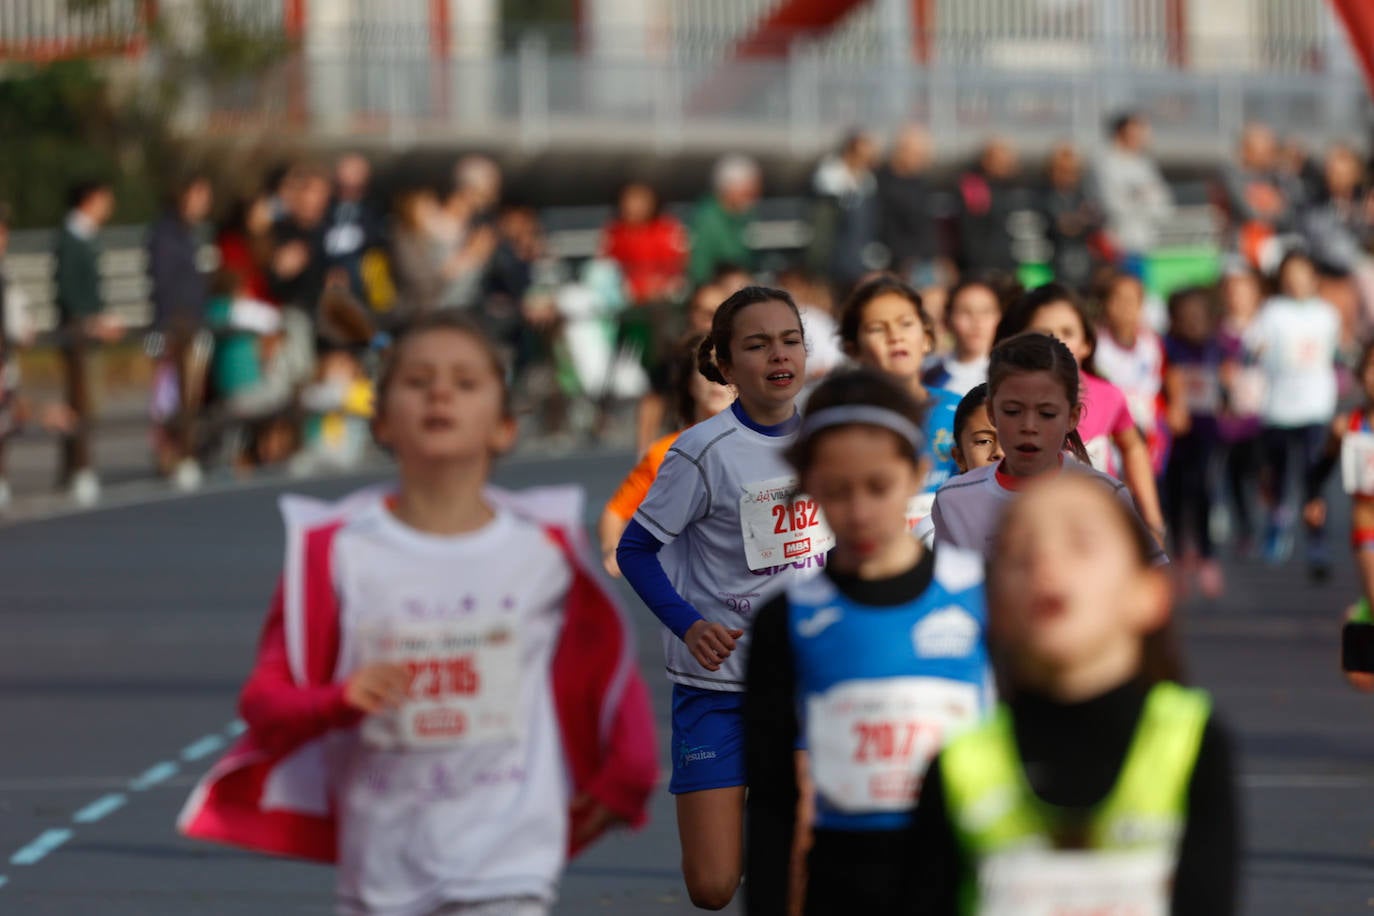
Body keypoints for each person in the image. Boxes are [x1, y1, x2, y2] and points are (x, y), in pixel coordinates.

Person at [178, 310, 659, 915]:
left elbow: (610, 672)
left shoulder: (544, 548)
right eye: (416, 381)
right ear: (380, 421)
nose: (439, 393)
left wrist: (629, 775)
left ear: (504, 426)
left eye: (464, 382)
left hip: (506, 867)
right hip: (381, 873)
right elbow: (264, 703)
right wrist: (336, 699)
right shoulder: (337, 550)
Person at [908, 474, 1238, 916]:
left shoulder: (1191, 745)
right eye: (1021, 552)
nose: (1046, 560)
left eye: (1081, 542)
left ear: (1149, 593)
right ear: (995, 606)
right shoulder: (960, 765)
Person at [744, 368, 991, 916]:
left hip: (970, 884)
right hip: (845, 887)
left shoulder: (980, 595)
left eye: (878, 487)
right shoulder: (788, 617)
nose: (859, 512)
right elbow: (771, 805)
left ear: (917, 474)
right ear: (809, 487)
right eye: (836, 491)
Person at [617, 286, 822, 911]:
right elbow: (635, 550)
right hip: (718, 689)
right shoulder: (701, 453)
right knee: (711, 887)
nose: (777, 355)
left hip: (806, 681)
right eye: (757, 345)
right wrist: (688, 624)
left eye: (789, 340)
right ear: (726, 366)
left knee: (799, 865)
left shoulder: (828, 437)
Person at [931, 331, 1166, 566]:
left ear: (1072, 417)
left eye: (1047, 414)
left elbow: (1148, 578)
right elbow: (947, 587)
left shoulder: (1105, 495)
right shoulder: (953, 500)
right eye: (1013, 411)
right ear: (992, 412)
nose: (1029, 426)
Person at [994, 282, 1167, 541]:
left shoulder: (1108, 394)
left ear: (1086, 344)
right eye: (1043, 333)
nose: (1056, 342)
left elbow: (1133, 447)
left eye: (1067, 332)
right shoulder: (1001, 401)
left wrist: (1153, 521)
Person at [599, 334, 736, 577]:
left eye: (726, 368)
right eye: (707, 370)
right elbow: (616, 511)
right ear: (690, 381)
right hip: (697, 586)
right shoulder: (663, 452)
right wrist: (613, 550)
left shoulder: (770, 440)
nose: (717, 380)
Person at [839, 275, 963, 528]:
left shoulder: (961, 411)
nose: (895, 336)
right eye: (876, 328)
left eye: (906, 323)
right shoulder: (845, 425)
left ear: (927, 338)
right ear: (854, 350)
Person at [1247, 250, 1342, 575]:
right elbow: (1252, 344)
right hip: (1278, 409)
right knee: (1278, 475)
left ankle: (1317, 544)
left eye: (1303, 272)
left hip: (1315, 407)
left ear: (1313, 277)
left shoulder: (1327, 314)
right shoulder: (1272, 312)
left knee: (1313, 479)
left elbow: (1335, 353)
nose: (1297, 279)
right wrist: (1253, 350)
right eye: (1291, 273)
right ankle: (1277, 523)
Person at [54, 178, 122, 506]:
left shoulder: (86, 237)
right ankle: (78, 469)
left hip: (90, 328)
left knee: (86, 401)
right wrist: (91, 319)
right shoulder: (71, 238)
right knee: (81, 400)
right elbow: (69, 290)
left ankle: (75, 468)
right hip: (79, 331)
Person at [146, 173, 214, 490]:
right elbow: (164, 284)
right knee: (169, 396)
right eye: (200, 194)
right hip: (176, 326)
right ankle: (173, 456)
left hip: (194, 323)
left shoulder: (191, 233)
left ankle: (184, 454)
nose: (204, 202)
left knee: (190, 395)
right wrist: (168, 328)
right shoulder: (165, 233)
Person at [1162, 287, 1228, 598]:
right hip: (1173, 435)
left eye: (1199, 317)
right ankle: (1179, 555)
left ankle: (1207, 556)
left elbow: (1230, 384)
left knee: (1203, 492)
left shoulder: (1216, 348)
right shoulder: (1167, 348)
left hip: (1206, 433)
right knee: (1174, 495)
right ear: (1173, 319)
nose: (1193, 323)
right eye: (1186, 317)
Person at [1093, 272, 1167, 475]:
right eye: (1118, 299)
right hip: (1107, 436)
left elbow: (1161, 385)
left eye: (1132, 300)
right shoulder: (1094, 344)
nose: (1125, 306)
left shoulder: (1151, 344)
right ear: (1105, 303)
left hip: (1146, 436)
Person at [1217, 266, 1267, 555]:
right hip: (1234, 417)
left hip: (1265, 414)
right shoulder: (1220, 331)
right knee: (1236, 474)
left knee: (1262, 469)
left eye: (1245, 291)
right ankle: (1245, 527)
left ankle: (1271, 509)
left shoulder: (1265, 328)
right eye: (1233, 292)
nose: (1238, 298)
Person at [1093, 111, 1174, 278]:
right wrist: (1142, 199)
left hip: (1143, 244)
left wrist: (1137, 199)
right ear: (1120, 133)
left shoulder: (1145, 164)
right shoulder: (1105, 164)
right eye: (1135, 133)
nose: (1141, 138)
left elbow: (1164, 206)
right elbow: (1112, 206)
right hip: (1117, 246)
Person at [1222, 122, 1304, 271]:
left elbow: (1292, 211)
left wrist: (1285, 170)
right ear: (1246, 149)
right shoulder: (1232, 175)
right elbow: (1248, 212)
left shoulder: (1279, 176)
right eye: (1263, 146)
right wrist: (1274, 207)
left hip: (1277, 247)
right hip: (1242, 252)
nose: (1269, 152)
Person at [809, 130, 881, 298]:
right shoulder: (828, 179)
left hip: (857, 261)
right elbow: (822, 230)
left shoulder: (868, 181)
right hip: (832, 262)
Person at [877, 124, 943, 291]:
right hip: (903, 263)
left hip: (925, 260)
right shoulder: (885, 183)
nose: (922, 158)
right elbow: (885, 225)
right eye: (918, 154)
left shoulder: (919, 183)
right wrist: (903, 258)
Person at [955, 138, 1026, 282]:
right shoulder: (974, 186)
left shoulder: (1011, 188)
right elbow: (969, 232)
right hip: (983, 266)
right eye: (1000, 159)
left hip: (1008, 262)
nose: (1006, 164)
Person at [1040, 142, 1104, 292]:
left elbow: (1095, 221)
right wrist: (1078, 222)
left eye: (1072, 171)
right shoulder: (1045, 196)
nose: (1068, 176)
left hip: (1084, 260)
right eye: (1062, 170)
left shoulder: (1082, 195)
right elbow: (1060, 225)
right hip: (1055, 258)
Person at [688, 155, 760, 287]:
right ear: (729, 188)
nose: (753, 196)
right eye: (746, 190)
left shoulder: (743, 217)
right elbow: (700, 269)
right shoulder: (707, 219)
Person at [921, 280, 1001, 396]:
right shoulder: (929, 375)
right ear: (947, 320)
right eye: (965, 312)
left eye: (986, 311)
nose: (977, 322)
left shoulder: (1010, 375)